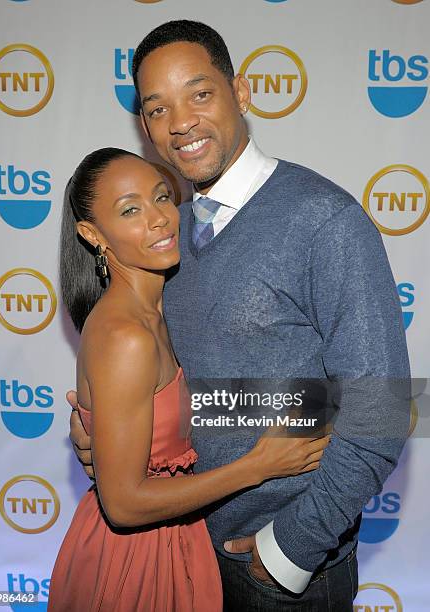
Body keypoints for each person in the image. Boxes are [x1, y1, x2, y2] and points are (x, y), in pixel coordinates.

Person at [68, 21, 411, 611]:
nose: (180, 123)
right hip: (176, 554)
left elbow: (380, 404)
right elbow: (205, 388)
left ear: (242, 92)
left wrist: (290, 551)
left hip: (276, 567)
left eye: (199, 94)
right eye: (157, 109)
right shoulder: (165, 233)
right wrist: (115, 435)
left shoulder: (322, 219)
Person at [48, 147, 330, 612]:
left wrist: (328, 410)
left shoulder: (164, 301)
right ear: (92, 235)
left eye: (162, 197)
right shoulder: (127, 336)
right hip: (136, 562)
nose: (159, 219)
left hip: (175, 542)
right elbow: (123, 504)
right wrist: (257, 465)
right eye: (130, 210)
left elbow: (182, 407)